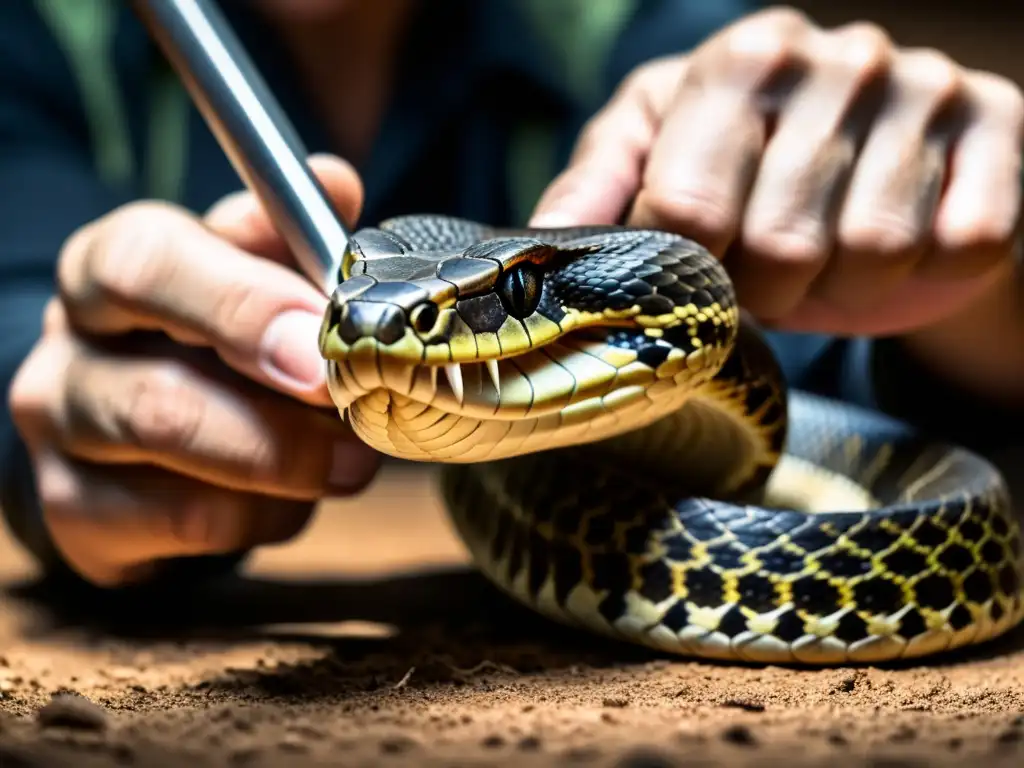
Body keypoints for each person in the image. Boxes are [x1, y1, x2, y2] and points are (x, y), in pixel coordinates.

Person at [1, 0, 1022, 591]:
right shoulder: (44, 35)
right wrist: (55, 412)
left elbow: (814, 362)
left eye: (515, 294)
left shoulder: (635, 25)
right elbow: (19, 300)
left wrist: (984, 279)